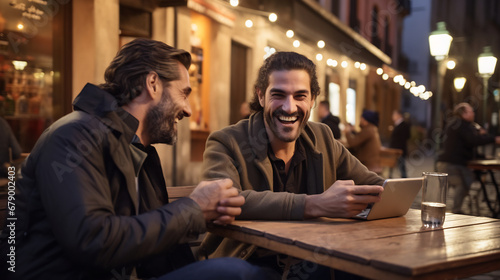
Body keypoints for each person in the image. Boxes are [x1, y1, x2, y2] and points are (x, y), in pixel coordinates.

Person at [0, 39, 266, 280]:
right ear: (152, 84)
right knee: (235, 273)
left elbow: (150, 245)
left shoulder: (137, 149)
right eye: (184, 93)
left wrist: (200, 216)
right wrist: (193, 209)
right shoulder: (74, 136)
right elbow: (93, 241)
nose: (187, 109)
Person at [200, 51, 384, 279]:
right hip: (248, 263)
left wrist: (399, 192)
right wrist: (316, 204)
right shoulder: (227, 141)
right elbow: (225, 200)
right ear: (261, 96)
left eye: (300, 96)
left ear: (313, 100)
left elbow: (376, 186)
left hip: (313, 259)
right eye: (278, 94)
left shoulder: (323, 137)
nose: (289, 107)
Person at [436, 102, 500, 214]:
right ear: (463, 113)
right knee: (464, 183)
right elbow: (472, 141)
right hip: (450, 165)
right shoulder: (461, 124)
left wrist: (483, 156)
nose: (473, 113)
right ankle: (456, 211)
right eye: (471, 111)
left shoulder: (459, 124)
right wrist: (493, 139)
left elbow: (465, 145)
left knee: (468, 180)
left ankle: (456, 209)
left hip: (449, 163)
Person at [344, 109, 382, 173]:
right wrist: (353, 131)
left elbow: (352, 143)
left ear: (365, 120)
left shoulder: (368, 130)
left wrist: (347, 132)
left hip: (367, 165)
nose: (360, 121)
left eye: (361, 118)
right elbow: (360, 137)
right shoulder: (372, 128)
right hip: (370, 164)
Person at [389, 110, 411, 178]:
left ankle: (404, 180)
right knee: (392, 165)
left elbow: (406, 136)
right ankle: (390, 179)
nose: (393, 117)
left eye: (394, 115)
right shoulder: (397, 124)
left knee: (401, 166)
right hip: (394, 149)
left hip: (399, 149)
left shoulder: (404, 125)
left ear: (399, 115)